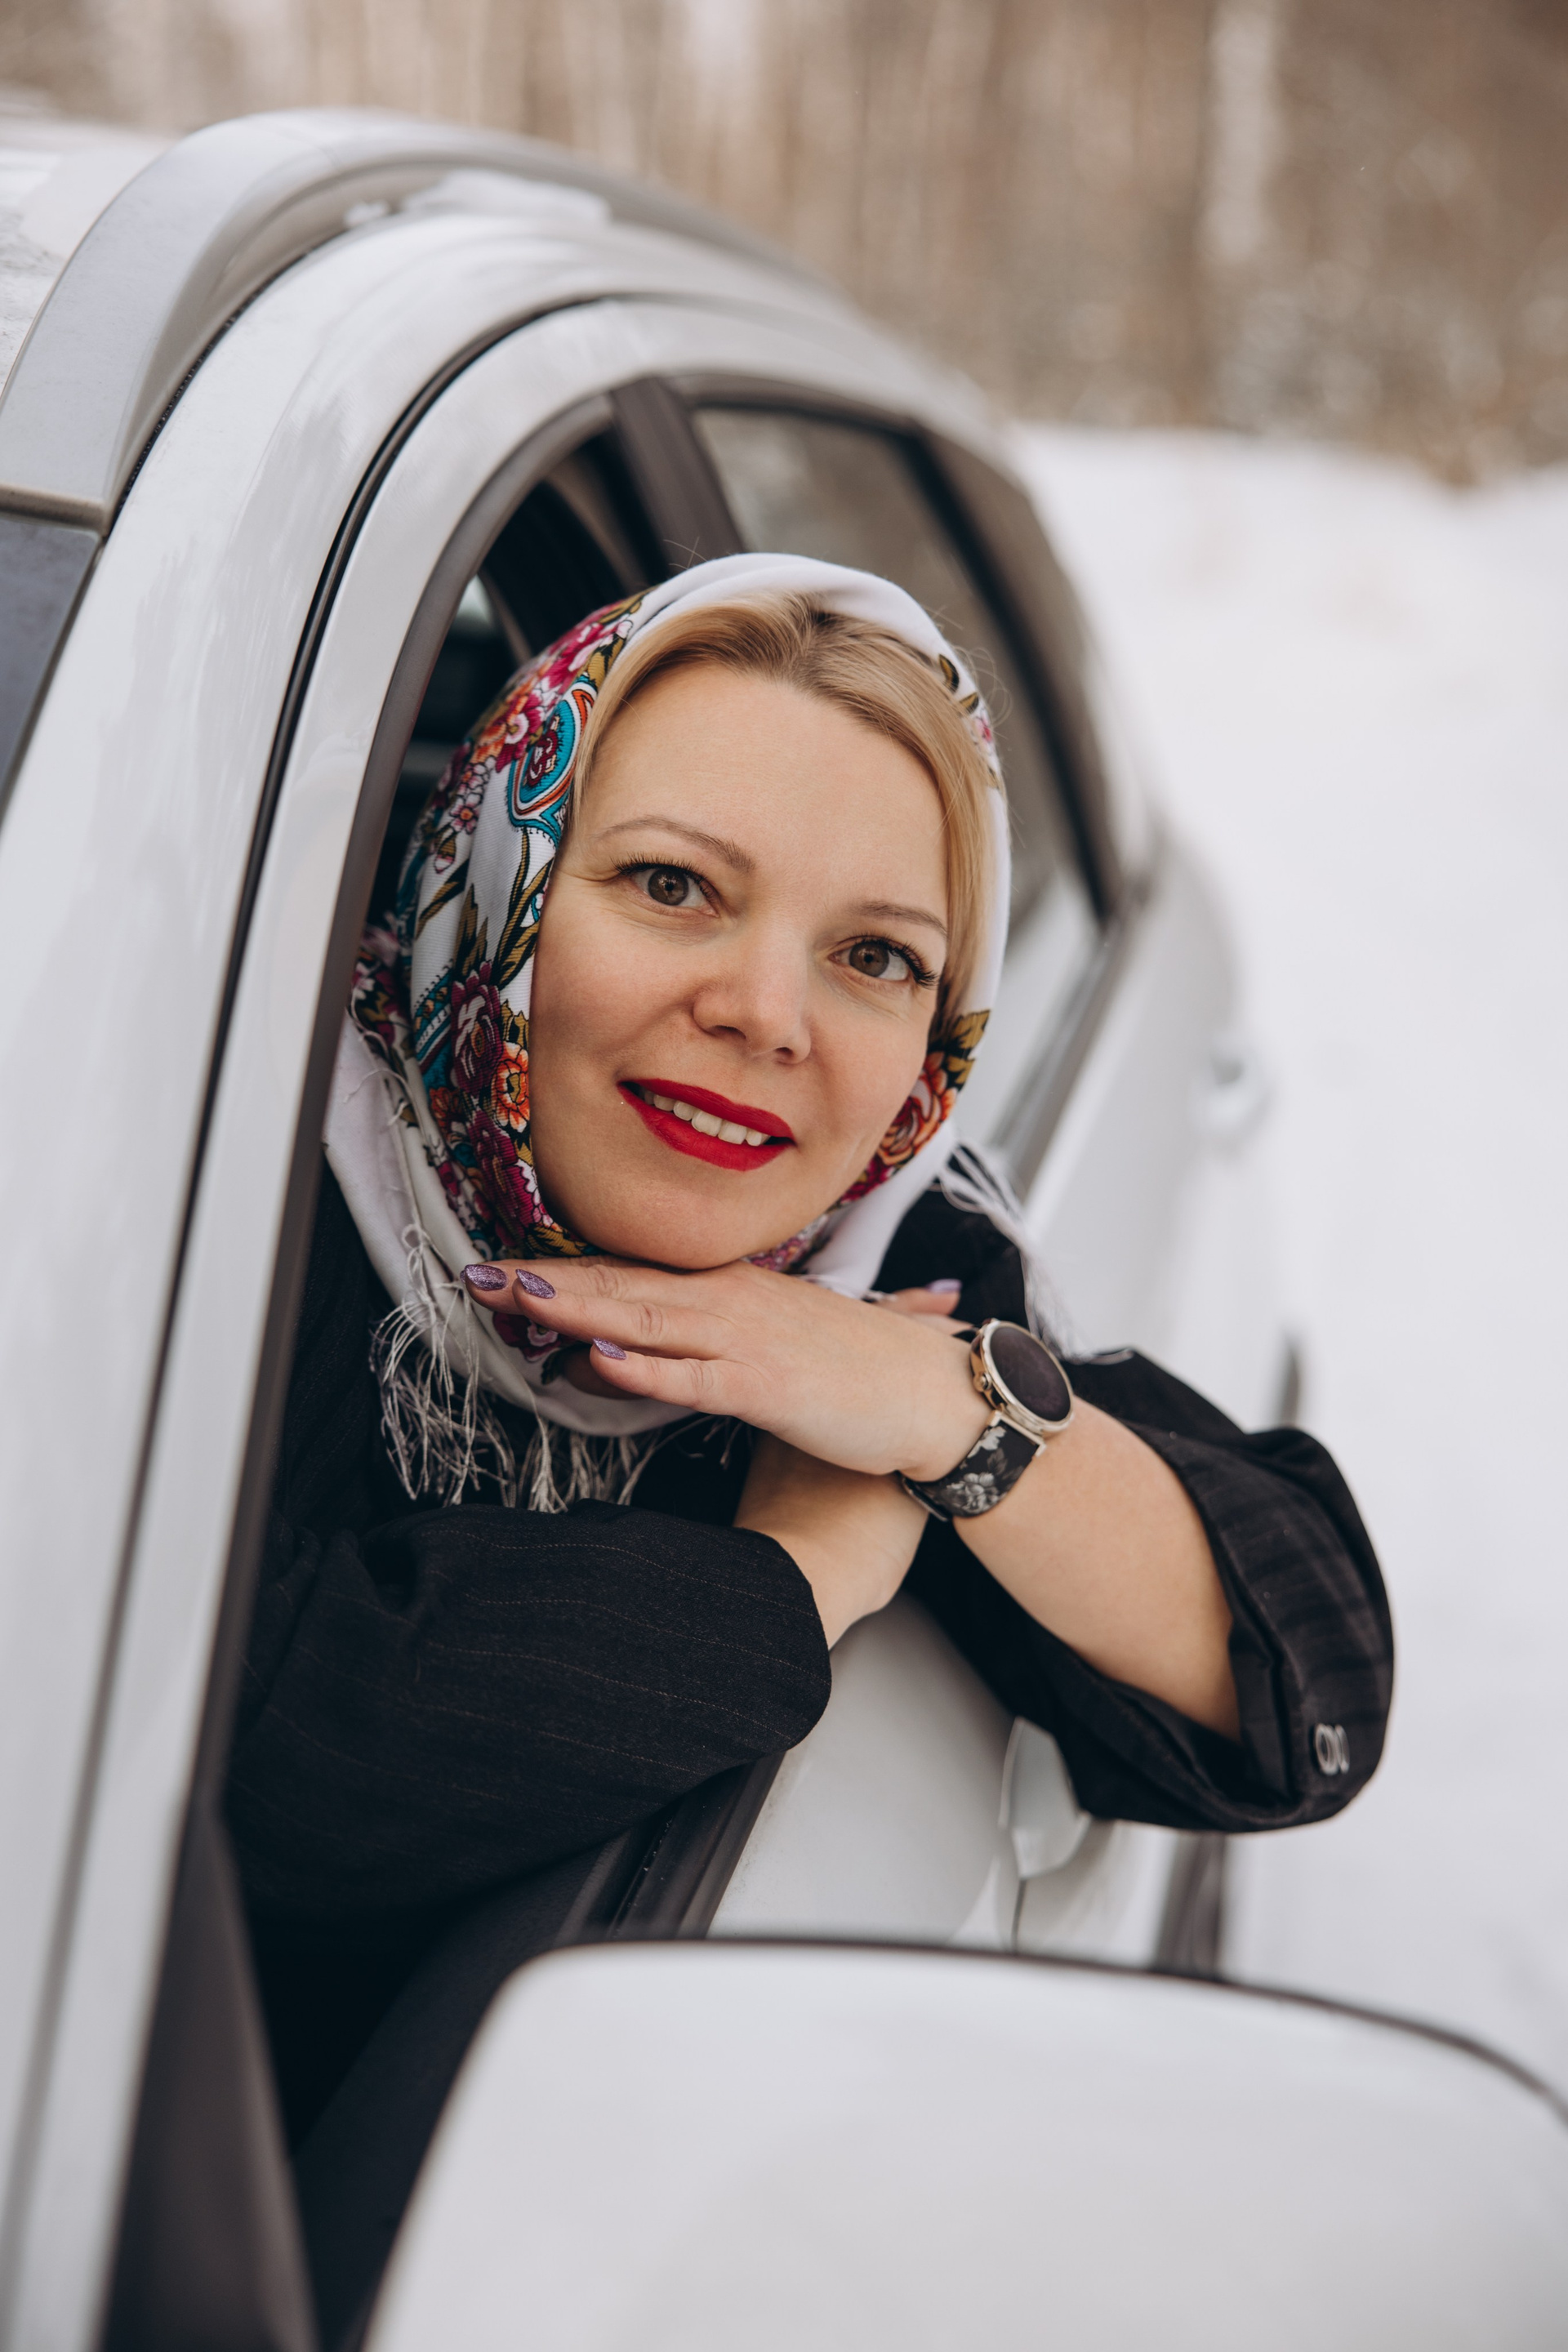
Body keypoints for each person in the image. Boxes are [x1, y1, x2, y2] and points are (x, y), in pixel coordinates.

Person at [229, 555, 1391, 2339]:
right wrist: (787, 1580)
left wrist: (944, 1414)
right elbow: (228, 1767)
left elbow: (1308, 1681)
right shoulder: (221, 1198)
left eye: (875, 957)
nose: (770, 1015)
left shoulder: (892, 1261)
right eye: (671, 885)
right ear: (503, 876)